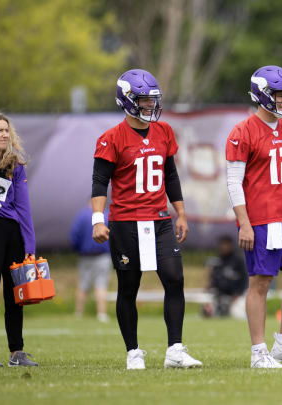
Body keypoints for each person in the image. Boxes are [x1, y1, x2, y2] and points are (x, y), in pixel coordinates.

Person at [91, 69, 202, 370]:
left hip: (159, 219)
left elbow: (170, 174)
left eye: (152, 100)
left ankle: (175, 350)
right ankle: (133, 352)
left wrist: (180, 212)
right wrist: (97, 219)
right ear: (126, 100)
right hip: (126, 221)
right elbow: (100, 182)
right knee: (129, 286)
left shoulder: (164, 131)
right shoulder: (111, 138)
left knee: (174, 279)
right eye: (143, 100)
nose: (149, 105)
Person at [225, 65, 282, 369]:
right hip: (262, 220)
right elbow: (233, 182)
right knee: (261, 283)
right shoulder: (243, 131)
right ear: (261, 95)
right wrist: (245, 223)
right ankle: (258, 352)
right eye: (277, 94)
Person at [0, 112, 38, 367]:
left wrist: (29, 247)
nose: (4, 134)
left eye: (6, 130)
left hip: (11, 233)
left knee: (15, 295)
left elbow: (24, 208)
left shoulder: (15, 165)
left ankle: (16, 353)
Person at [70, 206, 111, 322]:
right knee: (101, 284)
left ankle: (78, 312)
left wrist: (78, 249)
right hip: (103, 255)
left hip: (85, 256)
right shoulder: (107, 215)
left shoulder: (81, 216)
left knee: (82, 285)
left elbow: (74, 235)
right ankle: (102, 314)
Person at [203, 235, 248, 318]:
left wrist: (238, 294)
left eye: (225, 244)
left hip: (237, 296)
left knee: (236, 314)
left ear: (231, 245)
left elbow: (245, 279)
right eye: (221, 244)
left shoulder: (238, 260)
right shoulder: (218, 260)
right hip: (220, 296)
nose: (223, 247)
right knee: (208, 310)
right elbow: (214, 279)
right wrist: (210, 285)